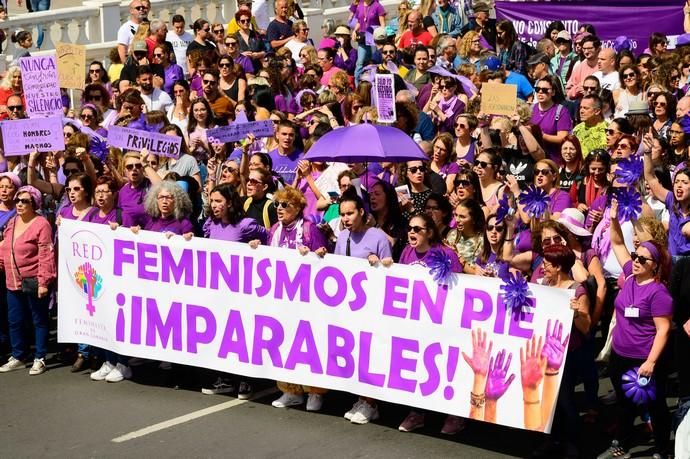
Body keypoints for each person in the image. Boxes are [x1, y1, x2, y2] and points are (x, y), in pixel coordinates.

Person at [597, 199, 673, 459]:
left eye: (643, 258)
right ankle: (623, 444)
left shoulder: (658, 293)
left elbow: (663, 330)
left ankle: (663, 448)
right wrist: (615, 219)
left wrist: (651, 362)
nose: (636, 260)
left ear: (654, 264)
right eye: (635, 256)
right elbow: (618, 243)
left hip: (644, 359)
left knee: (655, 405)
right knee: (625, 404)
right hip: (621, 355)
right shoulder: (630, 274)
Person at [392, 213, 464, 435]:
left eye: (417, 229)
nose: (411, 232)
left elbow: (460, 288)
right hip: (415, 322)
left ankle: (455, 415)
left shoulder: (446, 254)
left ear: (430, 232)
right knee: (418, 366)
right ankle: (417, 413)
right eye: (410, 229)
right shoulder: (407, 251)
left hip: (442, 322)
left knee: (446, 366)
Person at [334, 188, 392, 424]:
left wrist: (378, 264)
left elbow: (389, 268)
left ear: (361, 212)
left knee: (369, 353)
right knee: (354, 353)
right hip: (349, 305)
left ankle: (371, 402)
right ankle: (361, 397)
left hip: (372, 306)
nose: (346, 218)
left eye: (350, 213)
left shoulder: (378, 236)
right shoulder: (341, 238)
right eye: (343, 214)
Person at [0, 186, 55, 376]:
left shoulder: (41, 224)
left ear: (35, 203)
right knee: (14, 320)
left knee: (38, 319)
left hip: (32, 280)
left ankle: (39, 357)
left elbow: (46, 254)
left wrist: (43, 282)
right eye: (18, 201)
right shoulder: (12, 222)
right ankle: (18, 355)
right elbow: (5, 249)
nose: (20, 204)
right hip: (12, 280)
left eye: (25, 201)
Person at [530, 75, 573, 164]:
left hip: (552, 160)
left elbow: (563, 138)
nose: (540, 92)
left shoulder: (561, 111)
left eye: (545, 90)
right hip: (532, 158)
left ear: (553, 92)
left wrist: (542, 135)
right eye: (537, 89)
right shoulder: (531, 109)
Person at [350, 0, 386, 83]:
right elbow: (359, 21)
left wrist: (381, 36)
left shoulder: (377, 6)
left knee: (374, 60)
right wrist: (355, 30)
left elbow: (383, 24)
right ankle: (357, 84)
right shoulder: (360, 5)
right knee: (360, 62)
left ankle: (375, 81)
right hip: (363, 37)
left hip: (374, 37)